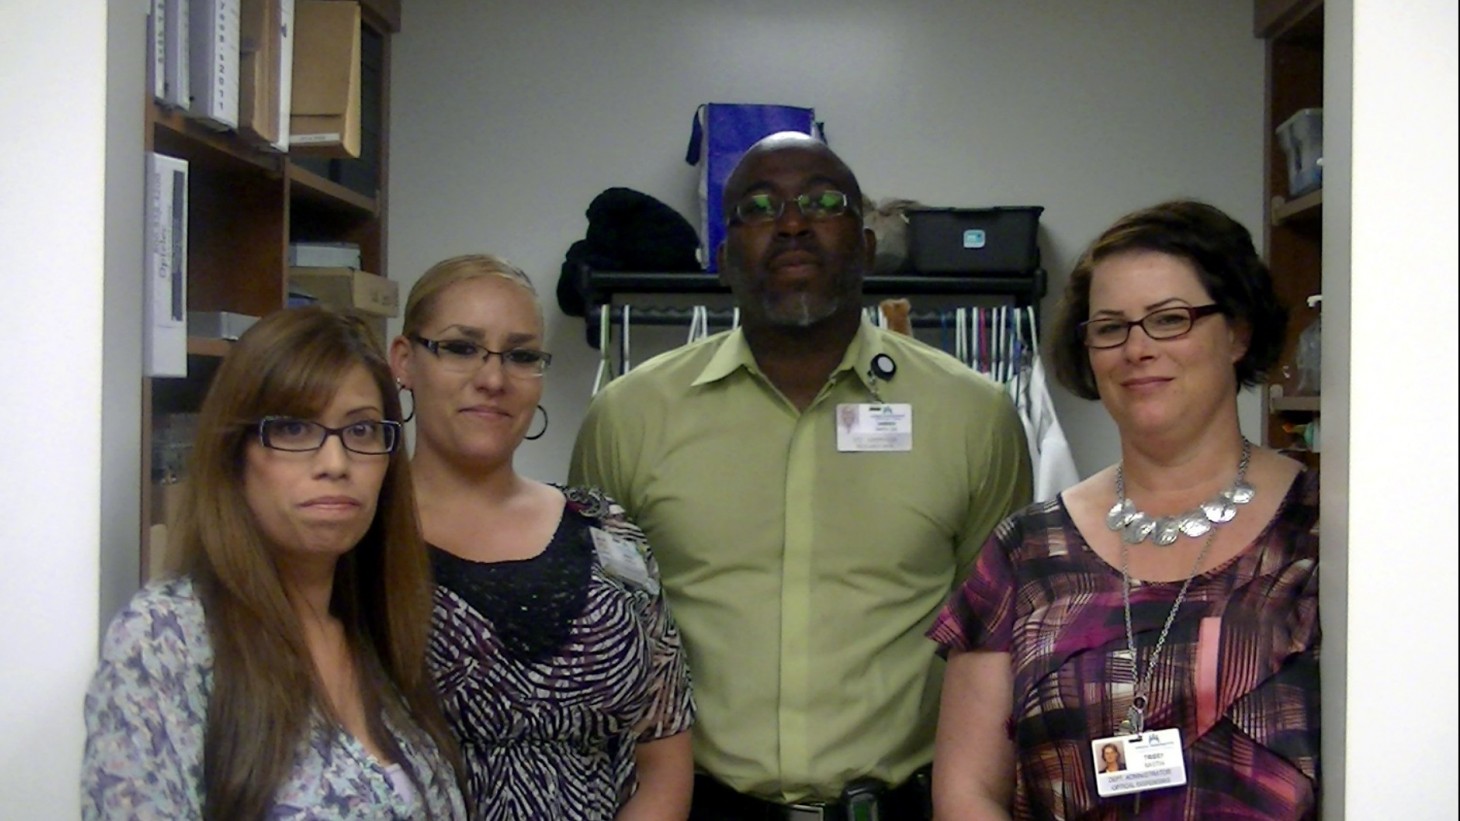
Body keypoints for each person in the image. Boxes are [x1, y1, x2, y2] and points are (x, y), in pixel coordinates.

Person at [570, 132, 1033, 818]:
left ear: (868, 246)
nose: (792, 222)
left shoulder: (975, 416)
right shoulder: (628, 417)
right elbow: (599, 632)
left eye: (823, 201)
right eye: (758, 207)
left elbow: (996, 647)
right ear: (722, 259)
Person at [929, 200, 1319, 819]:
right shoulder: (1026, 552)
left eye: (1169, 319)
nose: (1137, 349)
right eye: (1111, 327)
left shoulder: (1324, 535)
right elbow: (966, 792)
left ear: (1238, 332)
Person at [81, 307, 467, 819]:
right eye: (292, 428)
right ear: (234, 454)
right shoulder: (167, 637)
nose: (335, 463)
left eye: (363, 431)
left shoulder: (381, 629)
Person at [388, 254, 695, 820]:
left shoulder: (607, 528)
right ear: (404, 362)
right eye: (461, 347)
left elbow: (665, 751)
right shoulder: (360, 537)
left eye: (521, 355)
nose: (493, 379)